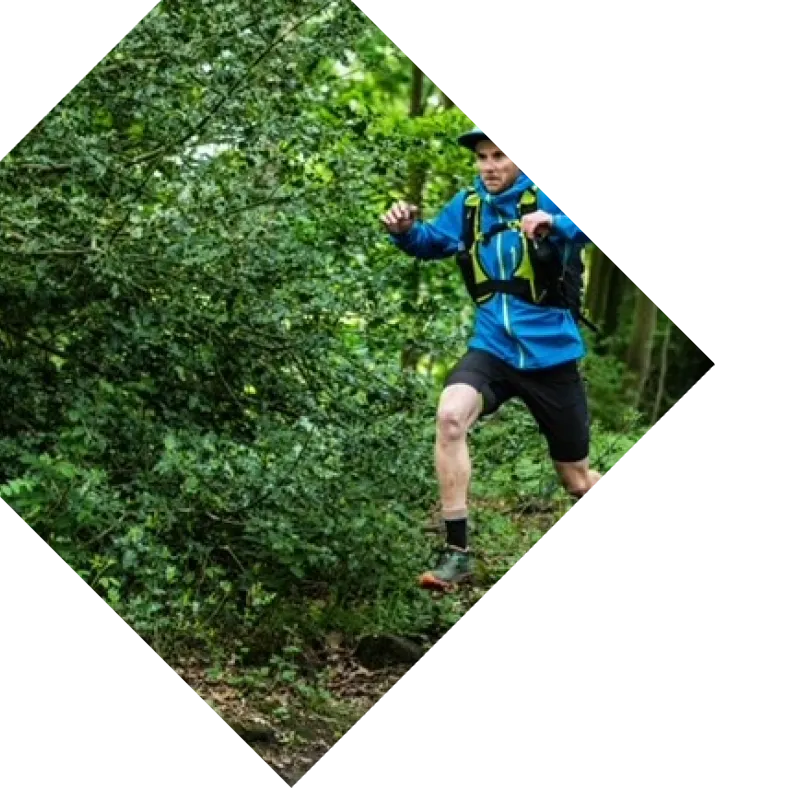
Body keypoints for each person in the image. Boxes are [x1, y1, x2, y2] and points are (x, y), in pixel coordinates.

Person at [380, 125, 603, 592]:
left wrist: (553, 223)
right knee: (450, 418)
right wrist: (404, 232)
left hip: (551, 358)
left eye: (499, 155)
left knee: (578, 481)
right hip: (493, 349)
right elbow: (432, 242)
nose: (489, 166)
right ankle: (456, 554)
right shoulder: (469, 206)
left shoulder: (545, 197)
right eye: (482, 157)